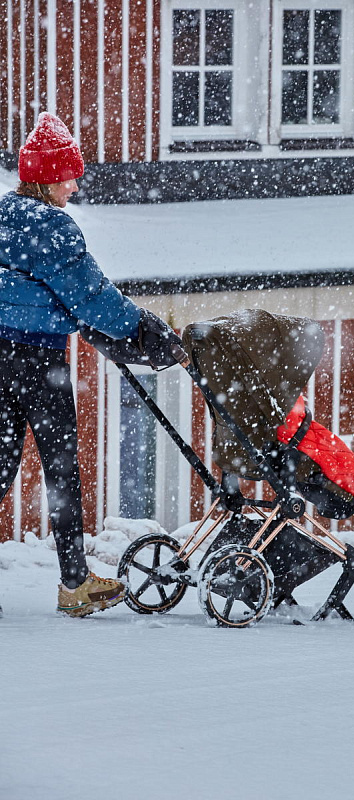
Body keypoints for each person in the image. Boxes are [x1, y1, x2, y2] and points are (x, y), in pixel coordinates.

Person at [0, 112, 185, 617]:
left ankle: (75, 582)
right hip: (40, 360)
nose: (75, 186)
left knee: (1, 463)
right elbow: (94, 300)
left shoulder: (4, 214)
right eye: (68, 176)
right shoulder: (53, 228)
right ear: (47, 179)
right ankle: (75, 584)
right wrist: (143, 328)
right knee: (61, 471)